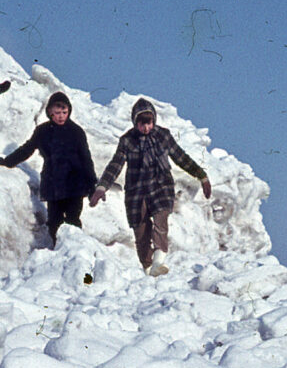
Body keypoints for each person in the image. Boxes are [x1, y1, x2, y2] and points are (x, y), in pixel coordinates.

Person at [89, 98, 211, 276]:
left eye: (149, 123)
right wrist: (101, 187)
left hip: (161, 186)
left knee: (161, 221)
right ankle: (148, 268)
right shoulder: (127, 141)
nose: (146, 128)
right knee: (141, 231)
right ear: (135, 122)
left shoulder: (163, 136)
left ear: (154, 120)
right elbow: (115, 165)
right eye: (142, 124)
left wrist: (202, 176)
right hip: (137, 192)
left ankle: (159, 260)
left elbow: (181, 158)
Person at [0, 92, 97, 245]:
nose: (61, 116)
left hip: (74, 184)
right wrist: (8, 161)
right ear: (50, 112)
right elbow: (28, 148)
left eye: (64, 112)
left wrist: (92, 185)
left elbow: (86, 159)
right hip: (53, 184)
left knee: (73, 221)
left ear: (69, 111)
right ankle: (57, 249)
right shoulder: (42, 131)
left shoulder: (76, 132)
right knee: (54, 222)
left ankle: (75, 251)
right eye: (57, 112)